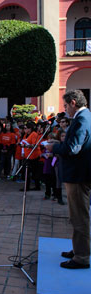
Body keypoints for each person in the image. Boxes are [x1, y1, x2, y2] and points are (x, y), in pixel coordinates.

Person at [46, 90, 91, 269]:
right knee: (77, 215)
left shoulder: (82, 119)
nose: (64, 110)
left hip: (78, 175)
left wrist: (54, 148)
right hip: (79, 173)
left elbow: (73, 148)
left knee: (79, 216)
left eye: (65, 105)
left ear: (73, 102)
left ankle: (82, 257)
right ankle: (79, 248)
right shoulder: (85, 117)